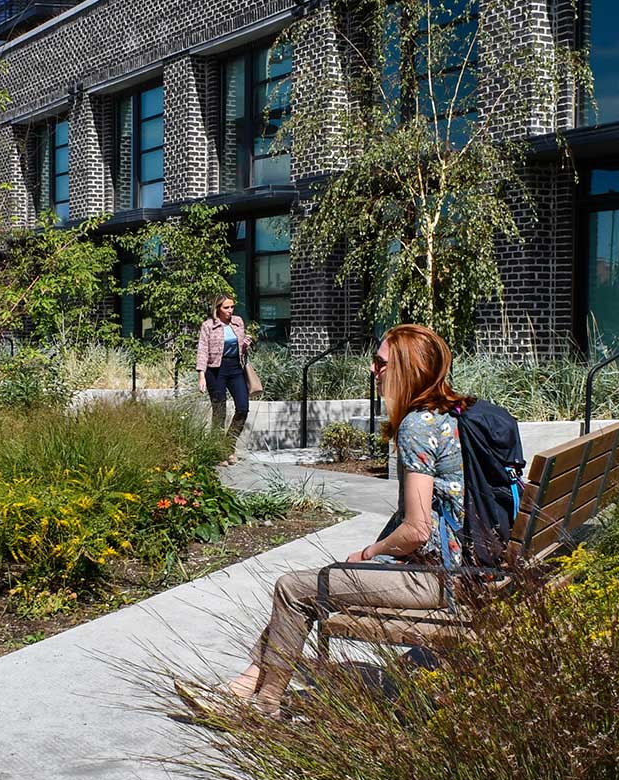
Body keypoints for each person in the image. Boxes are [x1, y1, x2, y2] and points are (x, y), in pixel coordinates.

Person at [229, 323, 471, 714]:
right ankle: (244, 686)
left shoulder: (416, 427)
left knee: (293, 588)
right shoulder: (450, 414)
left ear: (408, 368)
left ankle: (264, 702)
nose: (373, 370)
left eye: (381, 362)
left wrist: (369, 551)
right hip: (460, 568)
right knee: (317, 582)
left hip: (431, 578)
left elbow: (416, 530)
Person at [195, 294, 252, 463]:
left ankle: (229, 445)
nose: (230, 311)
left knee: (243, 407)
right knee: (219, 412)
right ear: (218, 308)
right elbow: (202, 350)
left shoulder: (238, 322)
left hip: (235, 368)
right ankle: (217, 452)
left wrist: (245, 344)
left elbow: (241, 347)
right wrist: (201, 375)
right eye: (226, 307)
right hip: (215, 371)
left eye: (232, 307)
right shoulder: (208, 326)